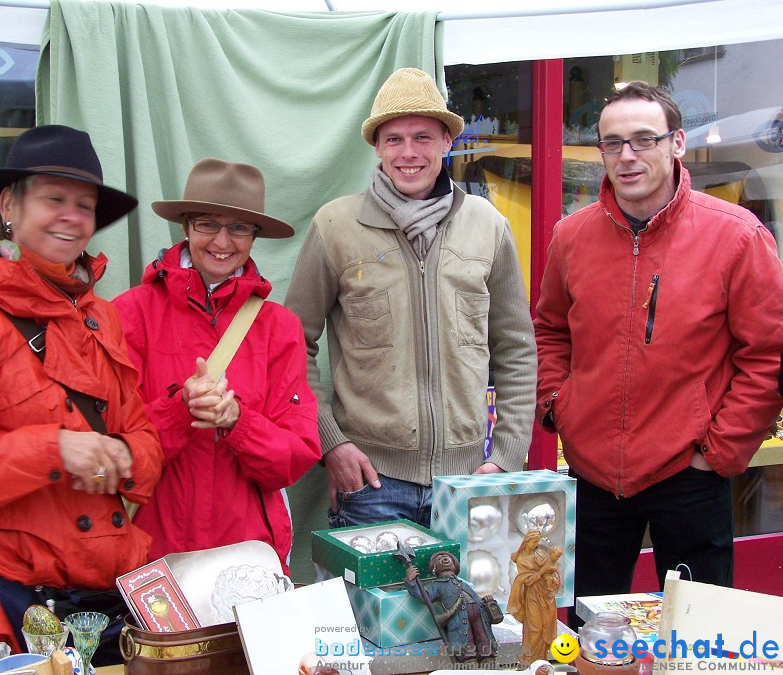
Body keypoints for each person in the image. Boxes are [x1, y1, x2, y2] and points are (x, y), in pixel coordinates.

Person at [0, 124, 164, 673]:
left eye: (85, 205)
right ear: (9, 206)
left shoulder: (100, 317)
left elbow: (145, 445)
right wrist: (53, 450)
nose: (72, 216)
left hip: (106, 611)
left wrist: (124, 456)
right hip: (6, 612)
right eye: (54, 199)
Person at [534, 81, 783, 630]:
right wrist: (559, 406)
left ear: (677, 144)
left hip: (689, 473)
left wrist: (719, 451)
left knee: (697, 633)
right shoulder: (571, 237)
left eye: (643, 139)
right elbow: (550, 330)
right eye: (612, 142)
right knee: (590, 636)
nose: (627, 156)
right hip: (593, 472)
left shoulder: (735, 237)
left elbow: (768, 356)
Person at [285, 67, 536, 528]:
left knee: (466, 604)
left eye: (423, 137)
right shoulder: (335, 226)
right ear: (377, 147)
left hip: (468, 482)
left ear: (447, 141)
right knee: (374, 605)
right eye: (394, 139)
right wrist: (331, 442)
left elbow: (516, 348)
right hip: (370, 484)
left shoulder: (488, 226)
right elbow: (290, 344)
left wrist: (506, 454)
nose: (408, 153)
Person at [112, 158, 321, 573]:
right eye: (208, 224)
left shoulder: (279, 328)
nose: (222, 241)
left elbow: (294, 456)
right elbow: (115, 451)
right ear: (186, 227)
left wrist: (238, 420)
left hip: (247, 555)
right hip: (153, 549)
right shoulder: (129, 314)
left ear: (254, 237)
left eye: (239, 228)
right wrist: (179, 410)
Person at [405, 551, 500, 662]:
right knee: (466, 644)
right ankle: (469, 664)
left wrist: (485, 601)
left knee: (484, 640)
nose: (445, 559)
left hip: (479, 618)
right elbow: (425, 597)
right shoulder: (438, 585)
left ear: (455, 566)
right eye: (439, 559)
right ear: (434, 569)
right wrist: (411, 582)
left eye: (448, 558)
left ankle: (488, 663)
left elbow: (475, 599)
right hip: (459, 620)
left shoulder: (463, 584)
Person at [506, 530, 561, 664]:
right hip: (533, 596)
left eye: (538, 541)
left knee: (545, 627)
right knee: (534, 628)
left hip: (546, 596)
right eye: (534, 542)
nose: (536, 544)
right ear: (526, 541)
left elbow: (552, 567)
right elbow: (527, 580)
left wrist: (553, 577)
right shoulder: (521, 559)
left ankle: (541, 658)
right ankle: (529, 659)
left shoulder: (540, 553)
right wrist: (543, 570)